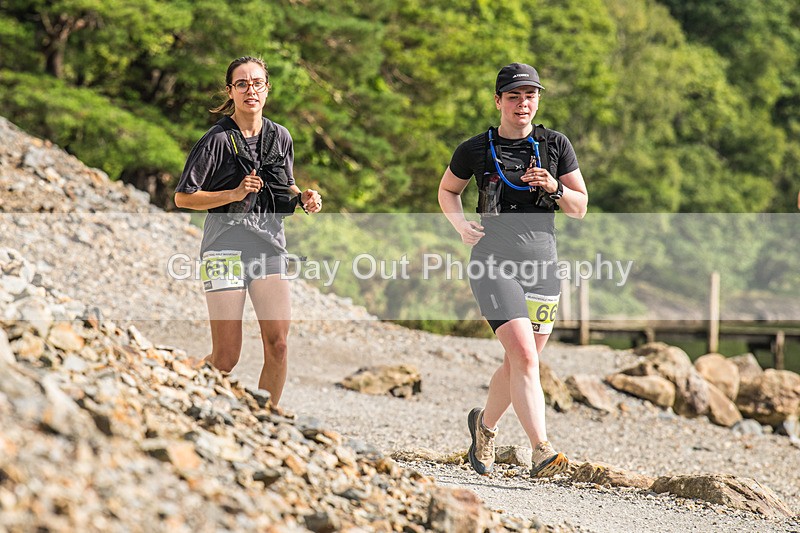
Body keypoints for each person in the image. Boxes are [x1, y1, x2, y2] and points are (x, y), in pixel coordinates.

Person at [438, 63, 588, 478]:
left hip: (543, 267)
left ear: (538, 99)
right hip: (492, 263)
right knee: (523, 356)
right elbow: (448, 190)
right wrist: (460, 225)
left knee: (520, 361)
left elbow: (581, 207)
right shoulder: (475, 148)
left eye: (531, 96)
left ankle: (484, 428)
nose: (523, 103)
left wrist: (555, 188)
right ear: (498, 101)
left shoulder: (555, 144)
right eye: (514, 96)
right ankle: (541, 448)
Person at [174, 56, 321, 406]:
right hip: (223, 246)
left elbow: (283, 188)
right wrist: (234, 194)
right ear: (231, 92)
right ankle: (171, 379)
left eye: (257, 83)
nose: (250, 90)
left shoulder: (280, 137)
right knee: (225, 358)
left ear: (267, 89)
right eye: (242, 84)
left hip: (269, 247)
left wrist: (304, 198)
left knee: (279, 344)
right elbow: (183, 197)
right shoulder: (216, 140)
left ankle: (265, 420)